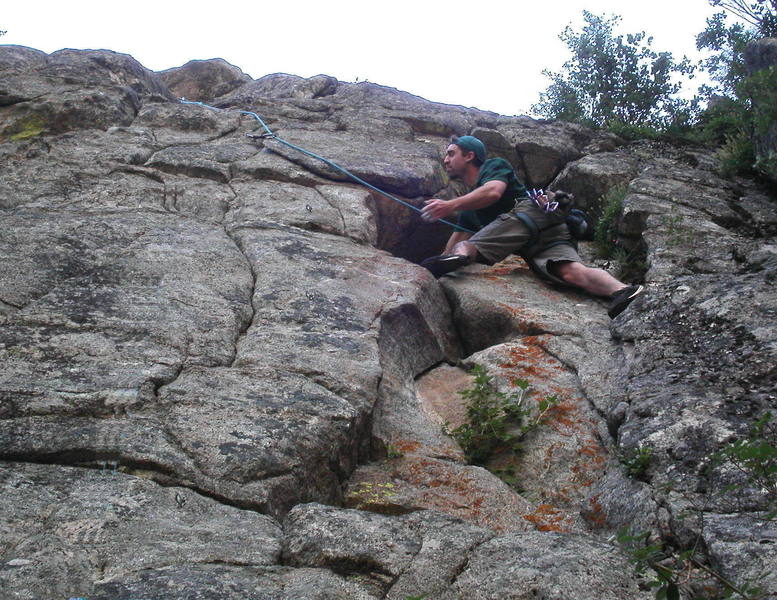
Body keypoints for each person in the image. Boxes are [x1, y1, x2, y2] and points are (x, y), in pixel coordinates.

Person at [420, 135, 644, 319]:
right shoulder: (470, 209)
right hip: (547, 235)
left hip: (532, 212)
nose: (446, 160)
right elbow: (451, 246)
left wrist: (450, 205)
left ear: (469, 156)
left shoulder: (493, 166)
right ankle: (625, 291)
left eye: (451, 153)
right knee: (569, 272)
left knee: (469, 246)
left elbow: (493, 192)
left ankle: (464, 257)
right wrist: (436, 266)